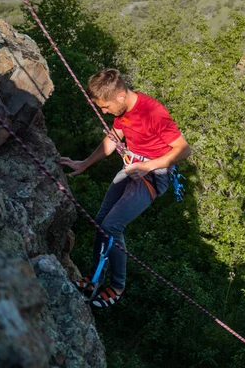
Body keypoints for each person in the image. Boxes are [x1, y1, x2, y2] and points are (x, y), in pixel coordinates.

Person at [60, 68, 191, 308]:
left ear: (120, 95)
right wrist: (85, 163)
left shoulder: (153, 112)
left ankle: (117, 287)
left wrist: (148, 165)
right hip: (133, 168)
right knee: (101, 221)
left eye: (105, 107)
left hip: (153, 175)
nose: (104, 111)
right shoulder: (122, 110)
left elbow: (183, 149)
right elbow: (112, 139)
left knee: (112, 225)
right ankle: (94, 279)